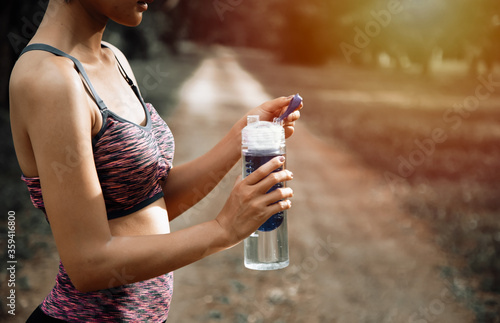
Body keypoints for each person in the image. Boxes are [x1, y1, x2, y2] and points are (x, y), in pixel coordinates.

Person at [9, 0, 301, 321]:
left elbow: (149, 206)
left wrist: (240, 136)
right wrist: (224, 228)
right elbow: (88, 265)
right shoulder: (49, 80)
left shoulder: (114, 59)